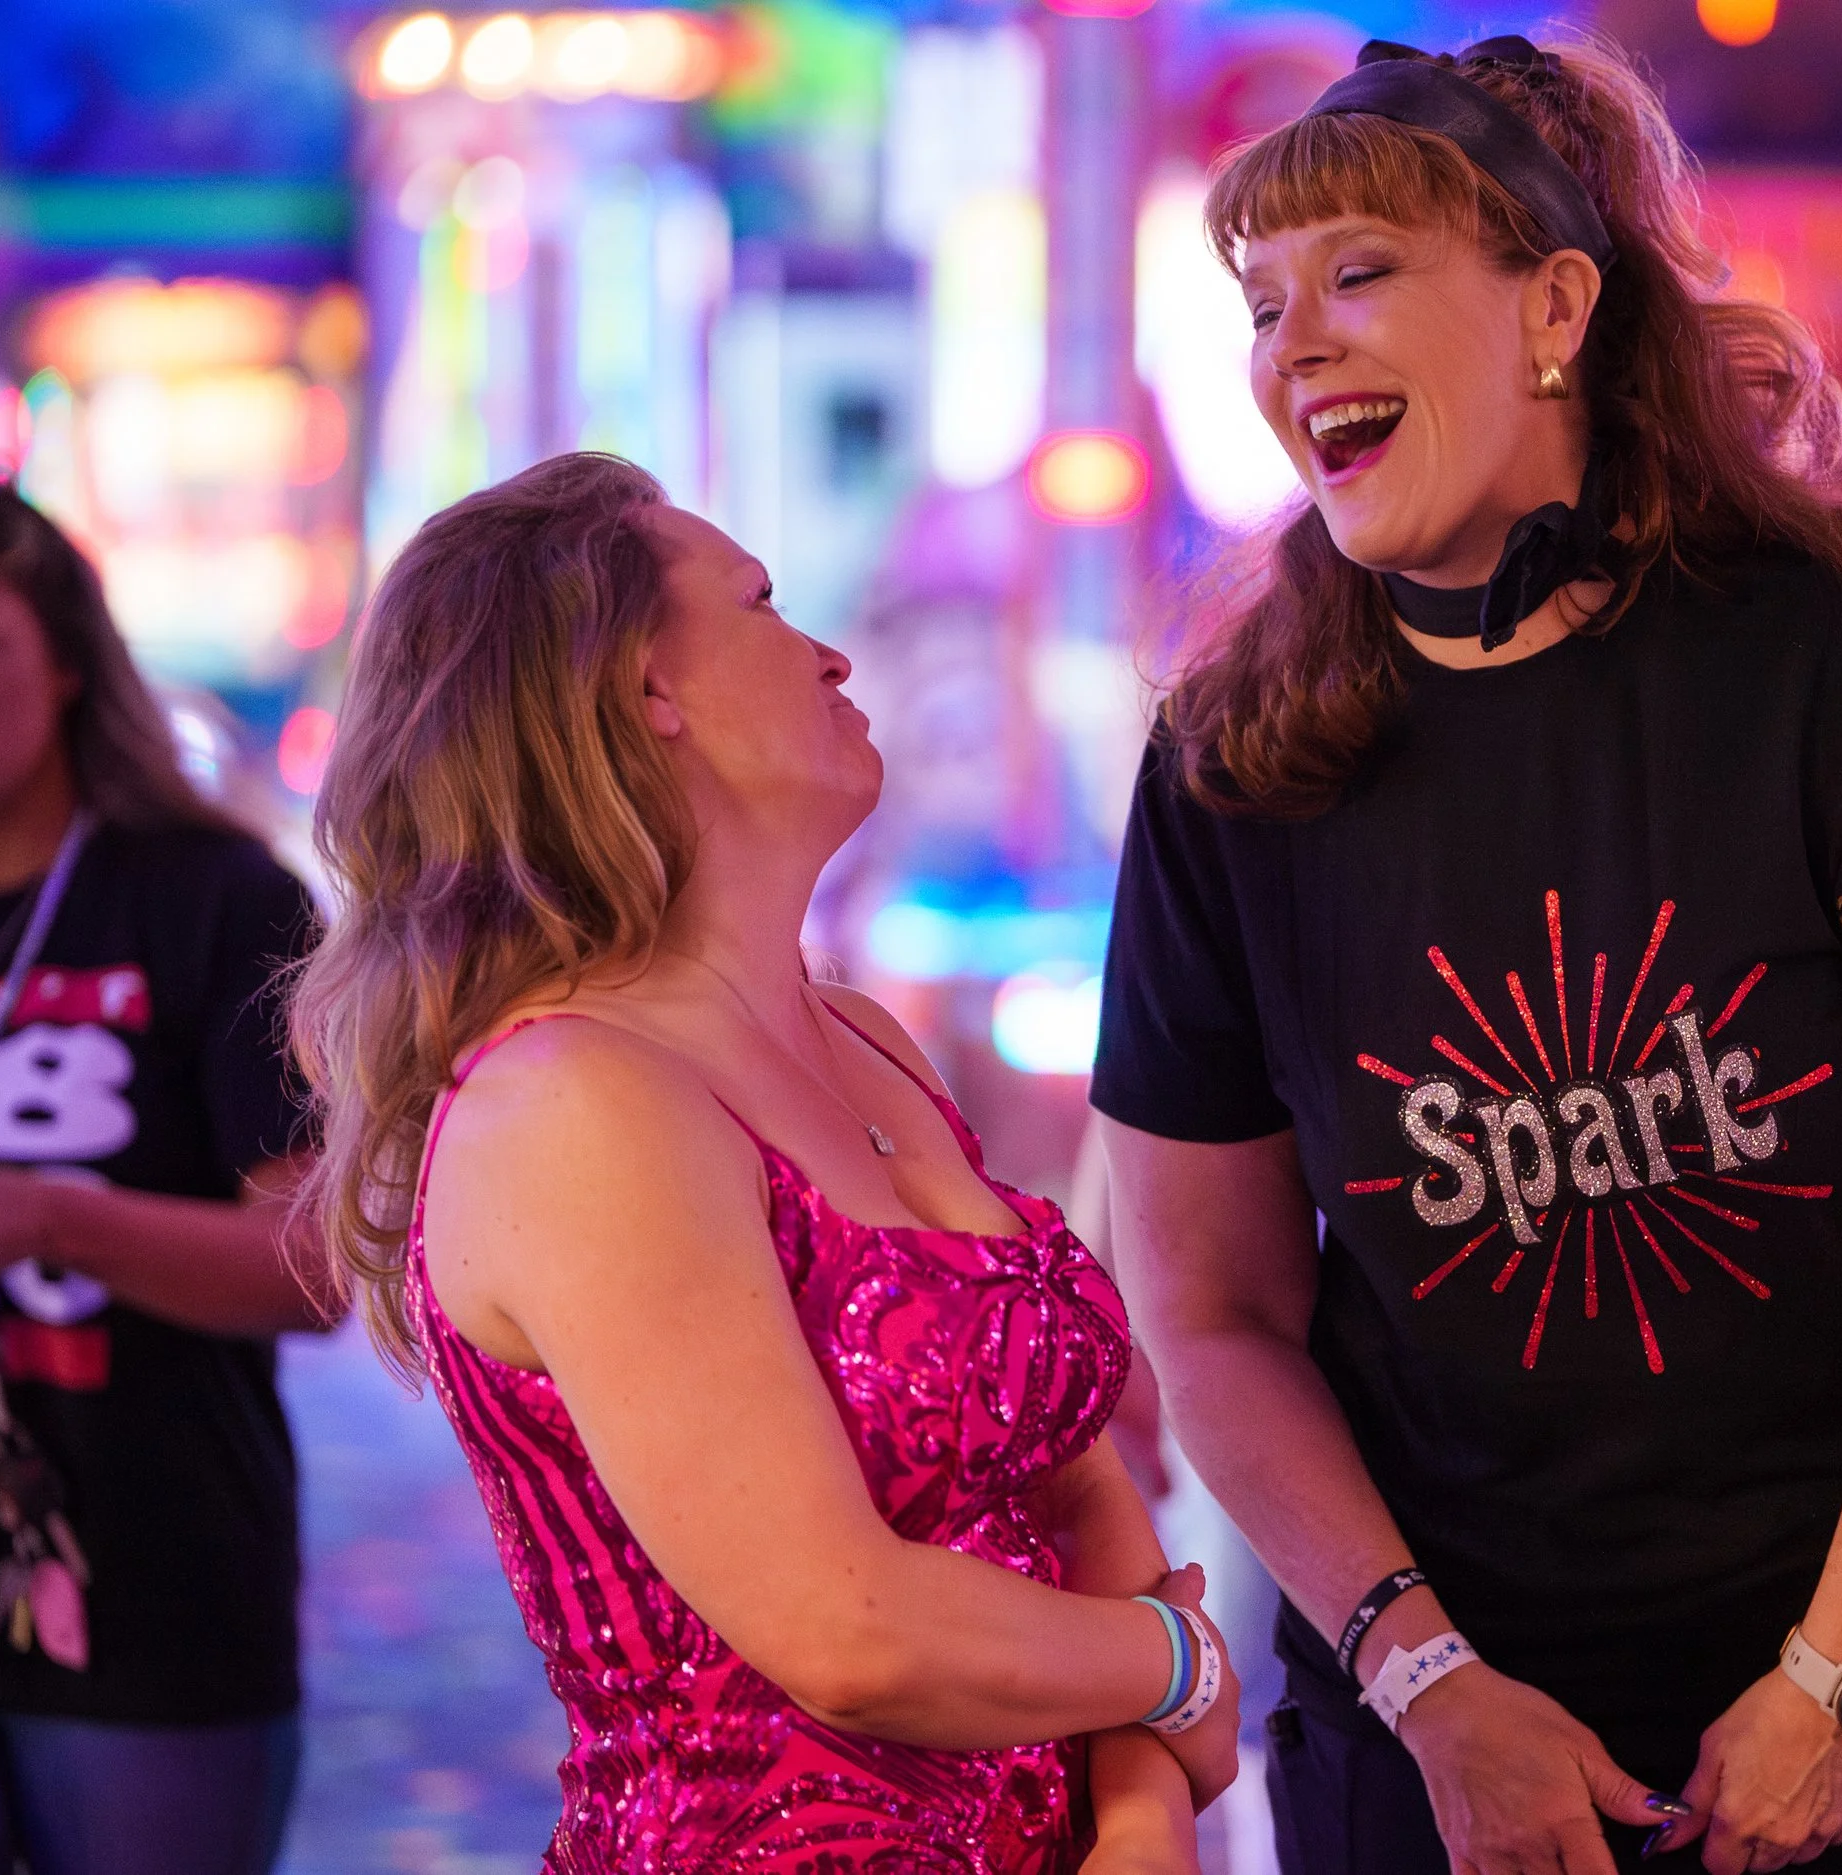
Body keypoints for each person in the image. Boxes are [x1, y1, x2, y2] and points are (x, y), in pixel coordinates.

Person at [1091, 35, 1842, 1875]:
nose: (1292, 345)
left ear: (1558, 303)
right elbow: (1214, 1313)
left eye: (1362, 274)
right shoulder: (1230, 765)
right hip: (1444, 1718)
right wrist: (1428, 1684)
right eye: (1260, 303)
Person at [289, 452, 1240, 1871]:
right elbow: (844, 1625)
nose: (834, 649)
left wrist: (1140, 1809)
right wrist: (1176, 1666)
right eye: (766, 602)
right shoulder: (573, 1099)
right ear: (641, 690)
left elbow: (1074, 1469)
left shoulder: (855, 1033)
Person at [0, 466, 326, 1875]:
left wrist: (48, 1217)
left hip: (157, 1568)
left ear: (63, 658)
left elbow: (308, 1270)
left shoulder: (216, 898)